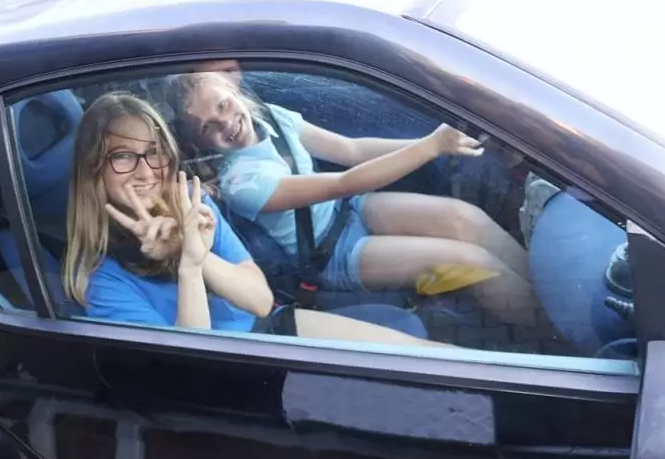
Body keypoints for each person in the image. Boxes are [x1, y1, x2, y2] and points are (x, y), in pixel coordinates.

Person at [61, 91, 450, 347]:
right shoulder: (100, 279)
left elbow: (261, 303)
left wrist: (190, 250)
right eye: (123, 157)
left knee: (432, 357)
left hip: (269, 329)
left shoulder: (193, 205)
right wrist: (189, 267)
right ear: (93, 169)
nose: (147, 171)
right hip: (240, 374)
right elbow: (194, 365)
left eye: (154, 152)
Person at [164, 70, 545, 326]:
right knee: (471, 262)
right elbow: (344, 182)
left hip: (348, 211)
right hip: (329, 254)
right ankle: (549, 331)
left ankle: (551, 294)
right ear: (199, 141)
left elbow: (352, 150)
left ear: (234, 92)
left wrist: (437, 144)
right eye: (208, 127)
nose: (226, 122)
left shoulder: (272, 117)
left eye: (223, 104)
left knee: (463, 219)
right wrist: (429, 147)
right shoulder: (240, 182)